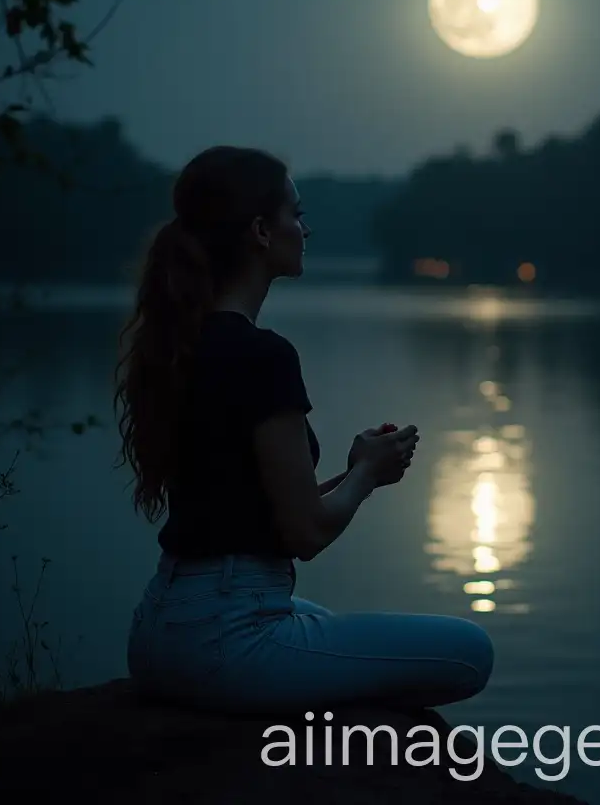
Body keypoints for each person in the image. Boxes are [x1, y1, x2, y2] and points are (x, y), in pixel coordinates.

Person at [115, 145, 493, 715]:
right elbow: (305, 536)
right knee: (470, 652)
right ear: (262, 231)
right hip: (226, 639)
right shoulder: (261, 354)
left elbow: (245, 506)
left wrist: (350, 469)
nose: (306, 229)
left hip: (158, 630)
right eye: (297, 214)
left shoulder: (182, 343)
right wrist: (365, 475)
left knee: (326, 626)